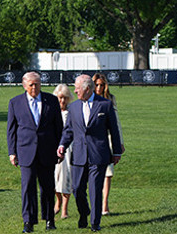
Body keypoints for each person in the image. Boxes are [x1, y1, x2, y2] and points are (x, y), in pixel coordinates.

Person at [57, 74, 123, 232]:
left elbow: (113, 130)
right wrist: (62, 145)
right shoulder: (73, 108)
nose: (75, 91)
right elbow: (68, 131)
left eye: (77, 88)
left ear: (87, 89)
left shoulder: (105, 105)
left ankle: (95, 223)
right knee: (77, 189)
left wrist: (117, 152)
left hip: (98, 155)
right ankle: (84, 213)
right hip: (79, 155)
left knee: (95, 189)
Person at [8, 72, 64, 232]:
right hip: (25, 152)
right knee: (27, 188)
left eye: (37, 84)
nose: (34, 87)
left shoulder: (51, 101)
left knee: (47, 188)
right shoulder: (15, 103)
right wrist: (12, 152)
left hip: (47, 151)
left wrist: (61, 148)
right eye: (31, 84)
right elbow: (11, 130)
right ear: (24, 85)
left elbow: (58, 127)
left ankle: (49, 220)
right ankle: (28, 221)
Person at [92, 73, 125, 216]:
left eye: (102, 85)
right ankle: (96, 203)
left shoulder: (110, 99)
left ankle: (105, 204)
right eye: (97, 85)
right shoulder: (89, 99)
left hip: (109, 140)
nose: (99, 88)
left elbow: (116, 123)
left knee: (108, 174)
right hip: (95, 141)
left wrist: (120, 143)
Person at [53, 84, 73, 220]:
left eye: (65, 98)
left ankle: (64, 208)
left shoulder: (71, 112)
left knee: (66, 177)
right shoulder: (52, 112)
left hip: (69, 149)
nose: (62, 101)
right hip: (53, 148)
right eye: (60, 98)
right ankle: (58, 201)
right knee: (54, 178)